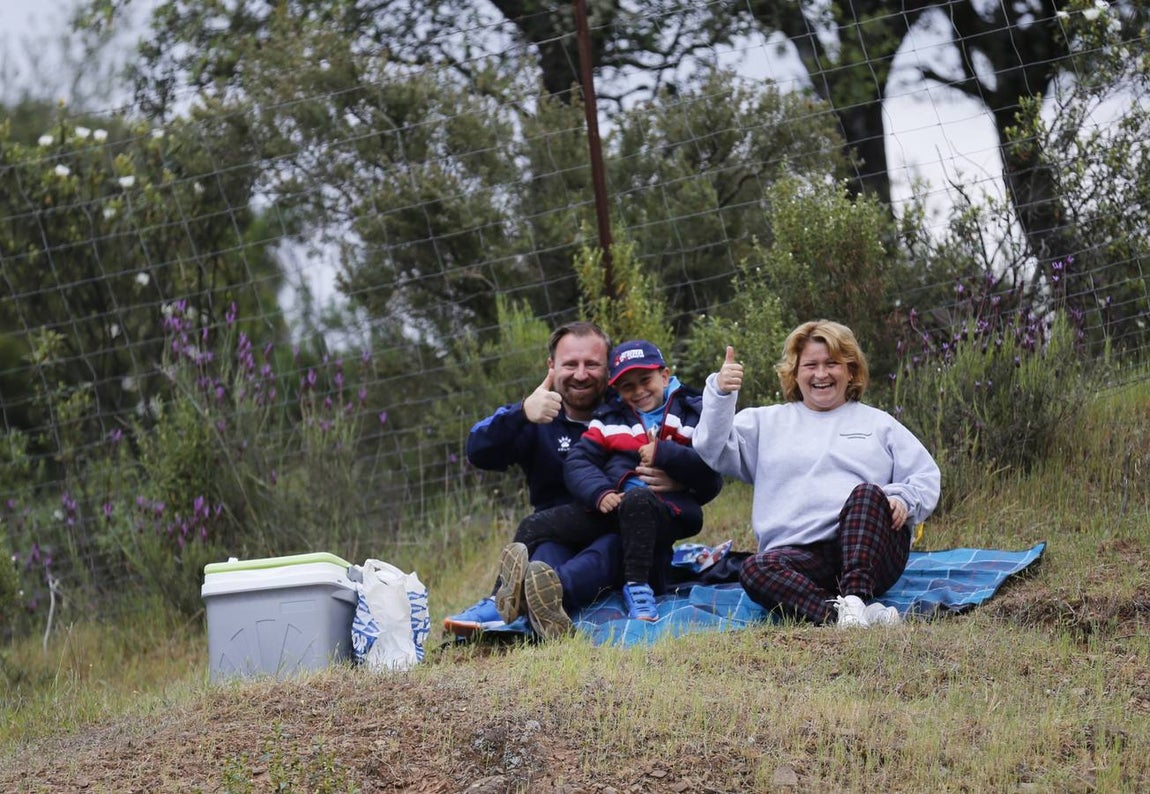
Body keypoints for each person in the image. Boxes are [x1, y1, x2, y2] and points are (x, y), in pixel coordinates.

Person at [692, 319, 941, 628]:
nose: (821, 374)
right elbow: (710, 448)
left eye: (832, 363)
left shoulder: (880, 423)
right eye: (810, 365)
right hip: (799, 560)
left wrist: (905, 498)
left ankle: (856, 597)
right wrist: (720, 393)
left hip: (870, 550)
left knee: (866, 494)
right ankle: (848, 615)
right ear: (795, 373)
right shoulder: (764, 422)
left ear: (850, 370)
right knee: (754, 569)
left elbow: (926, 476)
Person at [443, 322, 682, 640]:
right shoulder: (536, 414)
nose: (580, 374)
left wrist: (677, 477)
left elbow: (701, 457)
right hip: (557, 533)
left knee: (608, 548)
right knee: (540, 564)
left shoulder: (632, 408)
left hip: (624, 533)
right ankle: (514, 602)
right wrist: (521, 413)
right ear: (551, 367)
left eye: (592, 364)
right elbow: (478, 452)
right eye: (570, 364)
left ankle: (522, 605)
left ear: (609, 368)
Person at [498, 340, 723, 623]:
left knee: (634, 509)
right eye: (628, 386)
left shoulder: (691, 412)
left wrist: (665, 454)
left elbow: (711, 471)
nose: (639, 391)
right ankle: (501, 597)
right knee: (534, 524)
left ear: (664, 376)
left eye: (645, 380)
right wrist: (600, 492)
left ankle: (636, 588)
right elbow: (578, 462)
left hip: (666, 511)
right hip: (613, 507)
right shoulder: (611, 418)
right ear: (616, 389)